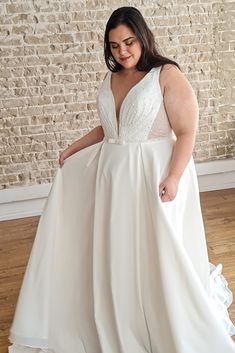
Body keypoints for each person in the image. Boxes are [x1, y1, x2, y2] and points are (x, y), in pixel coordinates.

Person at [8, 6, 235, 353]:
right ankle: (116, 308)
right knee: (117, 246)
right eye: (114, 46)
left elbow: (187, 130)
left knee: (154, 249)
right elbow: (109, 127)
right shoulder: (112, 77)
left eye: (128, 42)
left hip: (151, 173)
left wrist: (173, 177)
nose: (122, 52)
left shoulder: (166, 74)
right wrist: (73, 148)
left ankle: (157, 317)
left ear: (142, 37)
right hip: (112, 174)